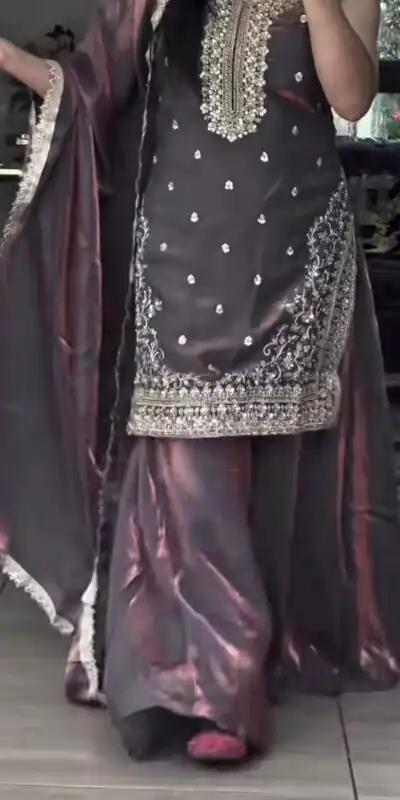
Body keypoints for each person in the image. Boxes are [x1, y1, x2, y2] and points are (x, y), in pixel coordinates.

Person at [0, 0, 399, 765]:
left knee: (266, 474)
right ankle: (191, 682)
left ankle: (228, 677)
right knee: (184, 466)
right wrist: (9, 58)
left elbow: (351, 99)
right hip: (178, 256)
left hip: (291, 253)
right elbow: (87, 88)